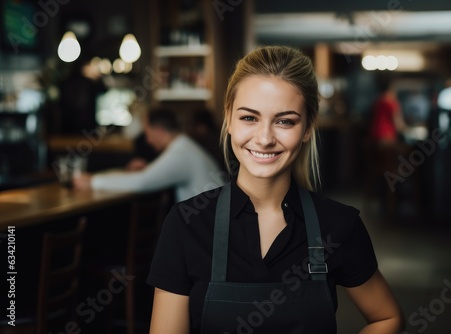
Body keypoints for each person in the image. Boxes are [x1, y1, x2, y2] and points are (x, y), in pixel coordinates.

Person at [147, 46, 404, 333]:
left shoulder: (339, 225)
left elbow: (388, 318)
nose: (265, 138)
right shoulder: (186, 224)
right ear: (229, 119)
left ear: (307, 128)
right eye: (249, 118)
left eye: (284, 121)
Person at [72, 107, 224, 202]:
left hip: (211, 233)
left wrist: (93, 181)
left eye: (147, 133)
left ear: (158, 131)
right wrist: (149, 168)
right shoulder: (184, 146)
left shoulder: (181, 152)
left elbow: (141, 183)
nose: (148, 140)